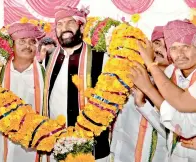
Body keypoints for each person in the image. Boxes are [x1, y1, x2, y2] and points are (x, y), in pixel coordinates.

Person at [43, 6, 110, 162]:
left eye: (70, 22)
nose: (64, 28)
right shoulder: (48, 59)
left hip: (93, 149)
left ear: (82, 25)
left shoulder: (101, 58)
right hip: (56, 147)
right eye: (59, 24)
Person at [129, 20, 196, 161]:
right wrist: (143, 104)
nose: (180, 54)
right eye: (174, 48)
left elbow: (185, 128)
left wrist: (149, 89)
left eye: (186, 46)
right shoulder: (172, 72)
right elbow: (169, 128)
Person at [110, 26, 169, 162]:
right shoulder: (132, 72)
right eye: (157, 43)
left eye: (166, 46)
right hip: (119, 153)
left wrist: (142, 104)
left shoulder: (176, 84)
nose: (159, 49)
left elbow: (174, 133)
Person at [0, 22, 45, 162]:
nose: (27, 46)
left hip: (33, 144)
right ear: (12, 45)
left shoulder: (47, 73)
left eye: (32, 42)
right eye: (22, 41)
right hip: (2, 141)